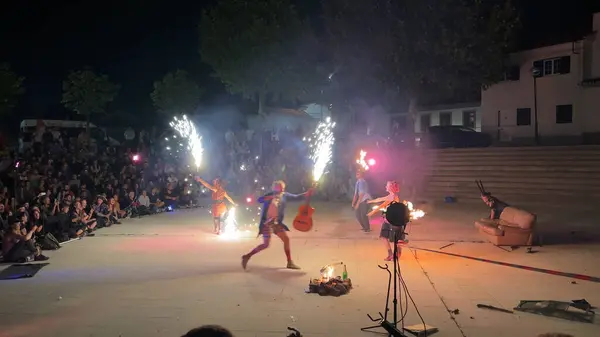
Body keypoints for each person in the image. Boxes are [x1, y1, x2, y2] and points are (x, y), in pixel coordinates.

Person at [241, 180, 313, 270]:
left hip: (276, 223)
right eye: (279, 187)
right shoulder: (269, 195)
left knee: (286, 239)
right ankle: (247, 256)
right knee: (265, 244)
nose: (282, 189)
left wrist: (306, 193)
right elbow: (259, 200)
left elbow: (296, 197)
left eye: (282, 187)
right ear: (274, 188)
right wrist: (269, 198)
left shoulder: (285, 195)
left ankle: (289, 262)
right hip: (267, 223)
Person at [368, 181, 409, 261]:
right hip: (387, 220)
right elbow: (382, 204)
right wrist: (372, 207)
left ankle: (397, 254)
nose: (385, 187)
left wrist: (371, 205)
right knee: (384, 236)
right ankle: (390, 254)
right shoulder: (391, 196)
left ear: (391, 187)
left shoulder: (392, 196)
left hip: (394, 221)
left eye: (387, 185)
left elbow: (381, 202)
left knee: (397, 239)